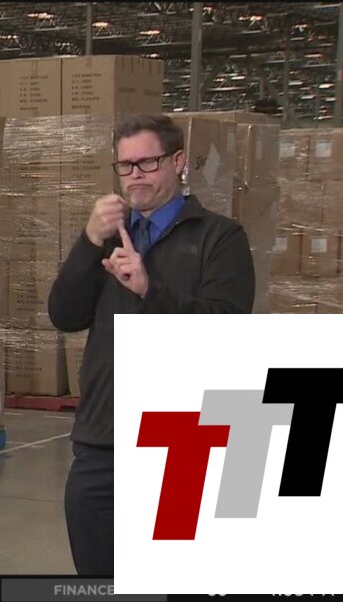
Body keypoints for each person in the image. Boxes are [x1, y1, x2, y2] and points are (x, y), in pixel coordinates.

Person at [47, 113, 255, 576]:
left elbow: (228, 330)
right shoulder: (108, 241)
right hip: (103, 440)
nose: (135, 175)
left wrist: (149, 290)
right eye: (125, 166)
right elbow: (64, 315)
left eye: (148, 163)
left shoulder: (219, 238)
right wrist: (88, 240)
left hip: (182, 445)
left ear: (177, 162)